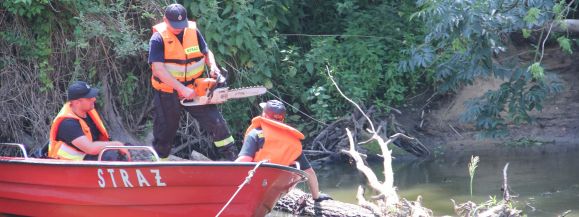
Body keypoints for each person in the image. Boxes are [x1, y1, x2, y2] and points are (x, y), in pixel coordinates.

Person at [148, 3, 238, 160]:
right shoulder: (158, 38)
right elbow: (158, 70)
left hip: (196, 89)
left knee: (216, 122)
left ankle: (233, 160)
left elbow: (206, 52)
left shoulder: (192, 31)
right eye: (175, 25)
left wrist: (213, 67)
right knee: (165, 131)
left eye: (181, 25)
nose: (179, 28)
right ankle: (158, 164)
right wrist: (181, 88)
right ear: (165, 20)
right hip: (168, 92)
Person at [235, 100, 332, 202]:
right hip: (275, 188)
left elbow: (244, 160)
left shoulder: (256, 134)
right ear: (282, 119)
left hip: (252, 184)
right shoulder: (292, 141)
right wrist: (316, 196)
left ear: (264, 115)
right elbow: (309, 172)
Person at [48, 81, 127, 161]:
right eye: (89, 98)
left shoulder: (88, 112)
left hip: (87, 158)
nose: (94, 99)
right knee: (110, 156)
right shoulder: (68, 123)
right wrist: (115, 144)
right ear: (77, 103)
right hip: (71, 165)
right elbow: (90, 148)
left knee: (126, 147)